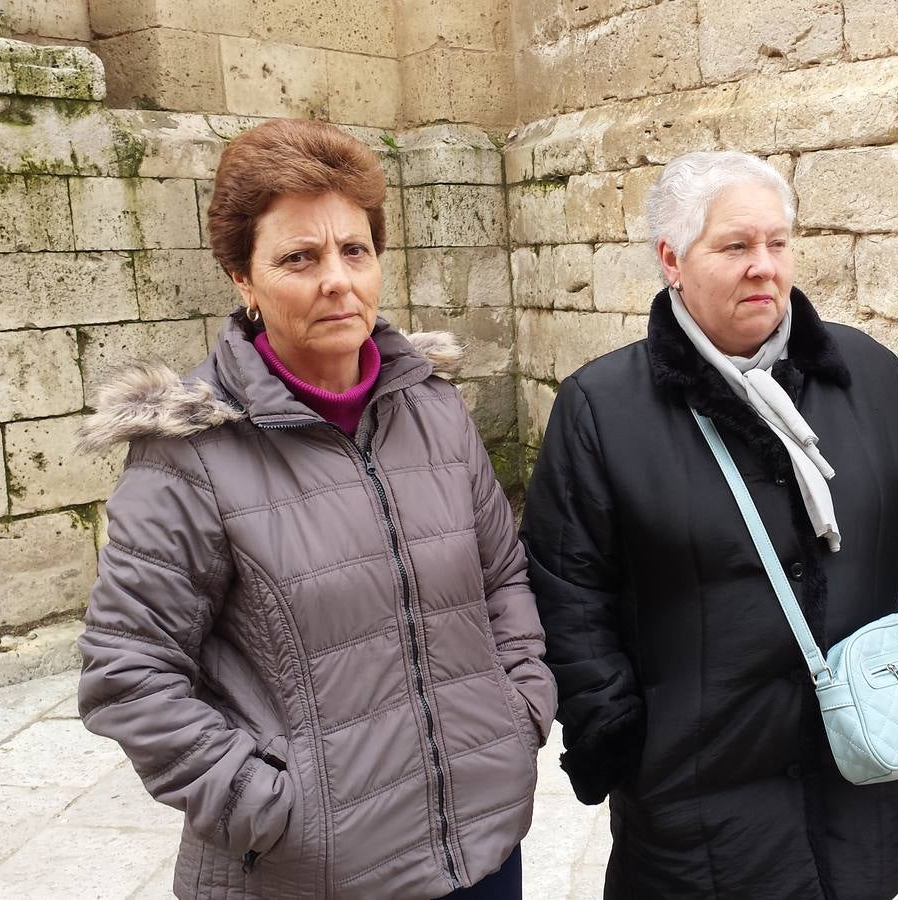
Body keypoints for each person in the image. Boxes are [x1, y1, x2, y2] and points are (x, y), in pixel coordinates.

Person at [76, 119, 552, 900]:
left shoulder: (433, 411)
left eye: (354, 250)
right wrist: (272, 809)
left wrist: (517, 711)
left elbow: (501, 579)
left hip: (481, 850)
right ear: (243, 278)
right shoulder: (191, 455)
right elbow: (128, 671)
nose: (336, 279)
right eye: (299, 257)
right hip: (311, 874)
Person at [520, 150, 898, 899]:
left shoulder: (867, 374)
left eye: (777, 242)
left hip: (863, 775)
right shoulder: (603, 409)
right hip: (695, 794)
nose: (763, 266)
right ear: (672, 260)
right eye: (735, 245)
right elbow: (569, 593)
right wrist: (616, 730)